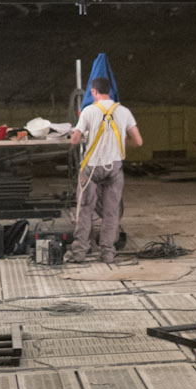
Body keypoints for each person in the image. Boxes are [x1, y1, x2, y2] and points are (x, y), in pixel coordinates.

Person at [66, 77, 142, 264]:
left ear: (93, 92)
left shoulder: (89, 111)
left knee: (85, 209)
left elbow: (75, 140)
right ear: (110, 91)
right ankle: (108, 252)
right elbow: (138, 142)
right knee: (111, 212)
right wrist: (121, 142)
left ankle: (79, 253)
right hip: (114, 167)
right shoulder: (124, 112)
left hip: (92, 167)